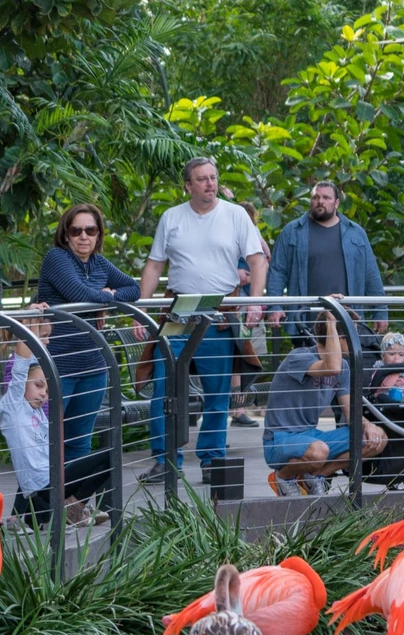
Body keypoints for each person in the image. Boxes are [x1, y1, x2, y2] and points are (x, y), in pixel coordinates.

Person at [137, 157, 269, 473]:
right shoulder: (172, 218)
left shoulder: (236, 215)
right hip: (178, 312)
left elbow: (258, 260)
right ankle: (165, 461)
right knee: (164, 387)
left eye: (213, 177)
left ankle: (212, 460)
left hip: (218, 313)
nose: (210, 183)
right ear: (188, 185)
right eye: (202, 179)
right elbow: (155, 265)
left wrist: (255, 302)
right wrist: (141, 309)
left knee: (217, 392)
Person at [35, 203, 140, 462]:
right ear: (65, 234)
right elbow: (79, 294)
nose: (84, 236)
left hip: (93, 366)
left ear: (98, 234)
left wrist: (109, 295)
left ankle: (74, 503)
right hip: (57, 365)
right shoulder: (57, 258)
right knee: (46, 441)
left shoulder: (99, 263)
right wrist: (105, 298)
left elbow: (133, 289)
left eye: (90, 230)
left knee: (80, 443)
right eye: (76, 231)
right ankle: (41, 502)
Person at [262, 312, 386, 496]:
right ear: (337, 338)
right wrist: (331, 320)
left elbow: (351, 412)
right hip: (279, 439)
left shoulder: (343, 368)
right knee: (319, 451)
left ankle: (315, 476)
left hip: (311, 436)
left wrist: (368, 426)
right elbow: (331, 366)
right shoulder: (298, 357)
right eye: (352, 335)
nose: (356, 341)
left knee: (377, 439)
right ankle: (283, 477)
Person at [0, 335, 112, 526]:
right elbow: (21, 364)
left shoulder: (39, 414)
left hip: (53, 480)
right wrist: (29, 323)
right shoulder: (14, 409)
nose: (44, 393)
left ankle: (71, 507)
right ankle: (72, 510)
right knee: (111, 454)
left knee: (110, 457)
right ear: (20, 384)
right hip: (43, 485)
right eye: (38, 386)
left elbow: (36, 364)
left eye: (47, 390)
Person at [265, 180, 386, 342]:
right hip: (305, 322)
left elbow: (371, 275)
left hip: (348, 321)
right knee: (309, 366)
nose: (320, 201)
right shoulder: (292, 232)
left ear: (336, 203)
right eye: (316, 197)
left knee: (348, 366)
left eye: (326, 198)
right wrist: (274, 306)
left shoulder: (356, 233)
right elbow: (277, 272)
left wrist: (380, 311)